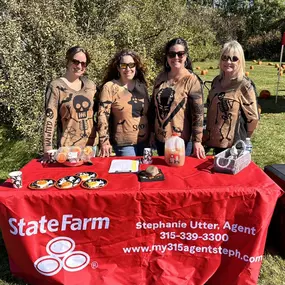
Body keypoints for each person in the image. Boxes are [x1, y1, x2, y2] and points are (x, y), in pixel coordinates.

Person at [148, 38, 205, 159]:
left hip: (181, 141)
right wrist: (152, 133)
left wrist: (197, 141)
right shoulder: (160, 78)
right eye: (171, 54)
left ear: (186, 56)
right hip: (161, 138)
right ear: (167, 57)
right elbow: (153, 107)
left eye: (180, 54)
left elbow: (198, 114)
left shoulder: (192, 80)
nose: (176, 57)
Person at [204, 40, 259, 154]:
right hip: (210, 141)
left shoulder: (244, 85)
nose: (228, 61)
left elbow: (253, 118)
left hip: (232, 146)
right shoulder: (216, 81)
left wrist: (244, 138)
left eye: (234, 58)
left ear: (240, 61)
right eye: (225, 57)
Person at [43, 46, 97, 156]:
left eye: (83, 63)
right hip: (67, 149)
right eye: (75, 62)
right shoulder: (56, 87)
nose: (79, 66)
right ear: (67, 61)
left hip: (91, 147)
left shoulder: (90, 86)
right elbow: (50, 119)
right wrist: (47, 149)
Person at [97, 49, 149, 157]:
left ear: (136, 67)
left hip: (145, 143)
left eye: (131, 65)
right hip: (125, 145)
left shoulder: (142, 86)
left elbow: (149, 113)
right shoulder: (110, 87)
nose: (128, 69)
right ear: (118, 68)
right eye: (124, 65)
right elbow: (102, 115)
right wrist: (104, 140)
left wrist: (152, 135)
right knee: (129, 173)